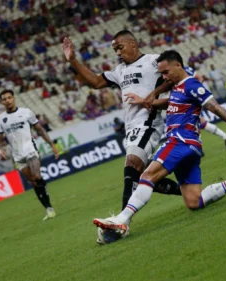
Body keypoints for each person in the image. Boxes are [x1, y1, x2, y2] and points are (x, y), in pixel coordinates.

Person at [93, 50, 226, 238]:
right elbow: (172, 103)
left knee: (148, 175)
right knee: (193, 201)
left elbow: (216, 107)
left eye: (166, 72)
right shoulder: (178, 87)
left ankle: (122, 221)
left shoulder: (191, 84)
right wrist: (145, 101)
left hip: (180, 141)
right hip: (191, 147)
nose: (164, 77)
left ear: (178, 66)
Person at [62, 30, 181, 211]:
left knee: (132, 164)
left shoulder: (153, 61)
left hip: (148, 122)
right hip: (131, 127)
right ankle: (188, 192)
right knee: (141, 174)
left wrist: (154, 94)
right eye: (115, 49)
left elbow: (176, 75)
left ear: (133, 43)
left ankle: (121, 221)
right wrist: (72, 60)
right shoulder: (119, 71)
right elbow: (95, 81)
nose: (117, 52)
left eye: (120, 47)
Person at [0, 89, 59, 220]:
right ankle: (49, 209)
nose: (7, 101)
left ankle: (43, 187)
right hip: (17, 156)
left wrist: (51, 144)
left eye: (9, 98)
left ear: (14, 98)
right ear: (1, 102)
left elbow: (39, 129)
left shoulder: (26, 112)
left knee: (37, 176)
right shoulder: (1, 119)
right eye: (4, 99)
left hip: (30, 149)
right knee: (33, 183)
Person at [184, 66, 226, 149]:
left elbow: (200, 78)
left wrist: (195, 93)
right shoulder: (173, 74)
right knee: (201, 124)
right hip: (185, 102)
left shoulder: (186, 69)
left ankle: (197, 148)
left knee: (193, 125)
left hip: (191, 100)